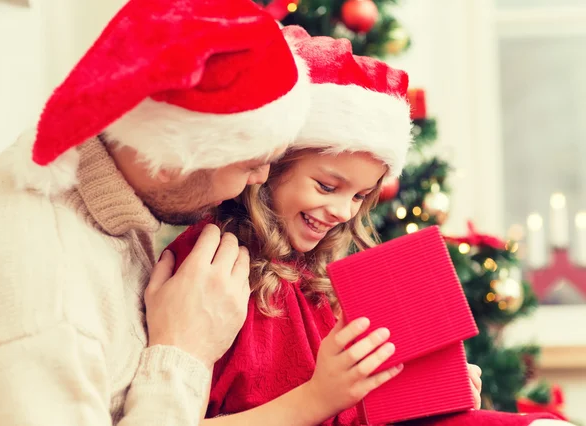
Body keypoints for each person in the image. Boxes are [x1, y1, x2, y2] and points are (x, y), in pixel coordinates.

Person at [166, 28, 573, 426]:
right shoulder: (209, 267)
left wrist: (432, 396)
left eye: (360, 196)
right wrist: (317, 398)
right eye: (327, 186)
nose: (344, 211)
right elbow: (172, 417)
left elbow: (353, 408)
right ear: (270, 165)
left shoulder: (324, 281)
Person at [0, 1, 310, 425]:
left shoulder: (104, 175)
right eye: (250, 163)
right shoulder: (50, 314)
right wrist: (184, 352)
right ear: (174, 159)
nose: (259, 178)